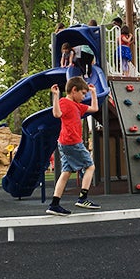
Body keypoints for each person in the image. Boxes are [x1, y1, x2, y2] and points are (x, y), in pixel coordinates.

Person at [46, 77, 101, 216]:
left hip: (65, 143)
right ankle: (83, 198)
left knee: (66, 172)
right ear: (74, 90)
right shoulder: (64, 102)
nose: (84, 97)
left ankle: (54, 204)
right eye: (83, 93)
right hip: (72, 142)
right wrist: (56, 96)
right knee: (90, 167)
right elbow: (56, 114)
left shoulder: (78, 106)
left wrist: (93, 92)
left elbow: (94, 108)